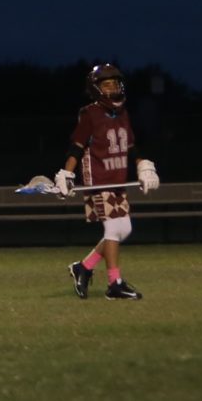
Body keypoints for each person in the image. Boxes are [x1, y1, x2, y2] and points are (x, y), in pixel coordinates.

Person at [58, 62, 156, 301]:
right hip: (98, 180)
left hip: (117, 180)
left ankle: (84, 267)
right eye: (107, 85)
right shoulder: (90, 114)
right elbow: (77, 147)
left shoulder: (123, 114)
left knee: (124, 229)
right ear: (96, 89)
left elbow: (131, 146)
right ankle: (115, 284)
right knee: (113, 229)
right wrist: (66, 173)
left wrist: (143, 166)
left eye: (115, 84)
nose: (113, 89)